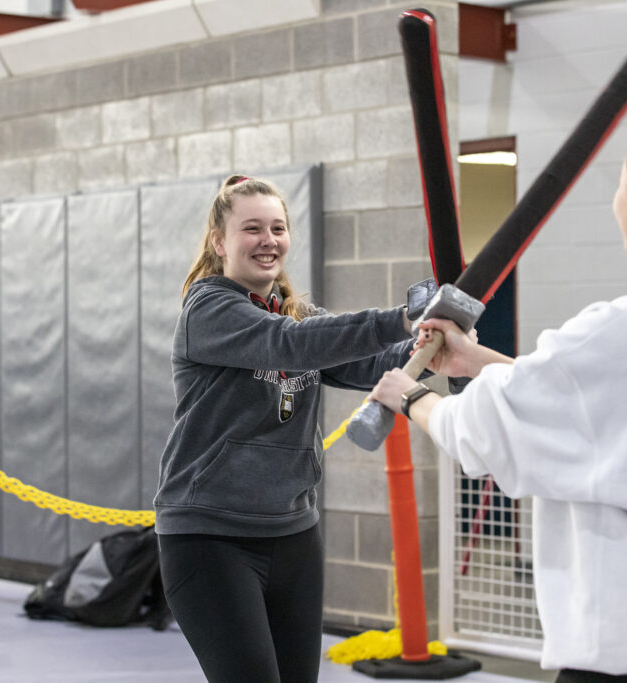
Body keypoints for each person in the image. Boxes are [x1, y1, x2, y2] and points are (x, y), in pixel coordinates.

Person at [371, 103, 627, 681]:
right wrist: (476, 360)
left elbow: (477, 433)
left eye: (619, 184)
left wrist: (409, 396)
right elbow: (588, 400)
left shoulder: (615, 329)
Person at [154, 174, 428, 682]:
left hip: (294, 534)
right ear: (220, 241)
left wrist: (434, 346)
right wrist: (402, 318)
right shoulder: (209, 310)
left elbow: (373, 364)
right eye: (252, 228)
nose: (268, 240)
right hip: (212, 538)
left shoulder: (294, 315)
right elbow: (292, 345)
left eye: (277, 227)